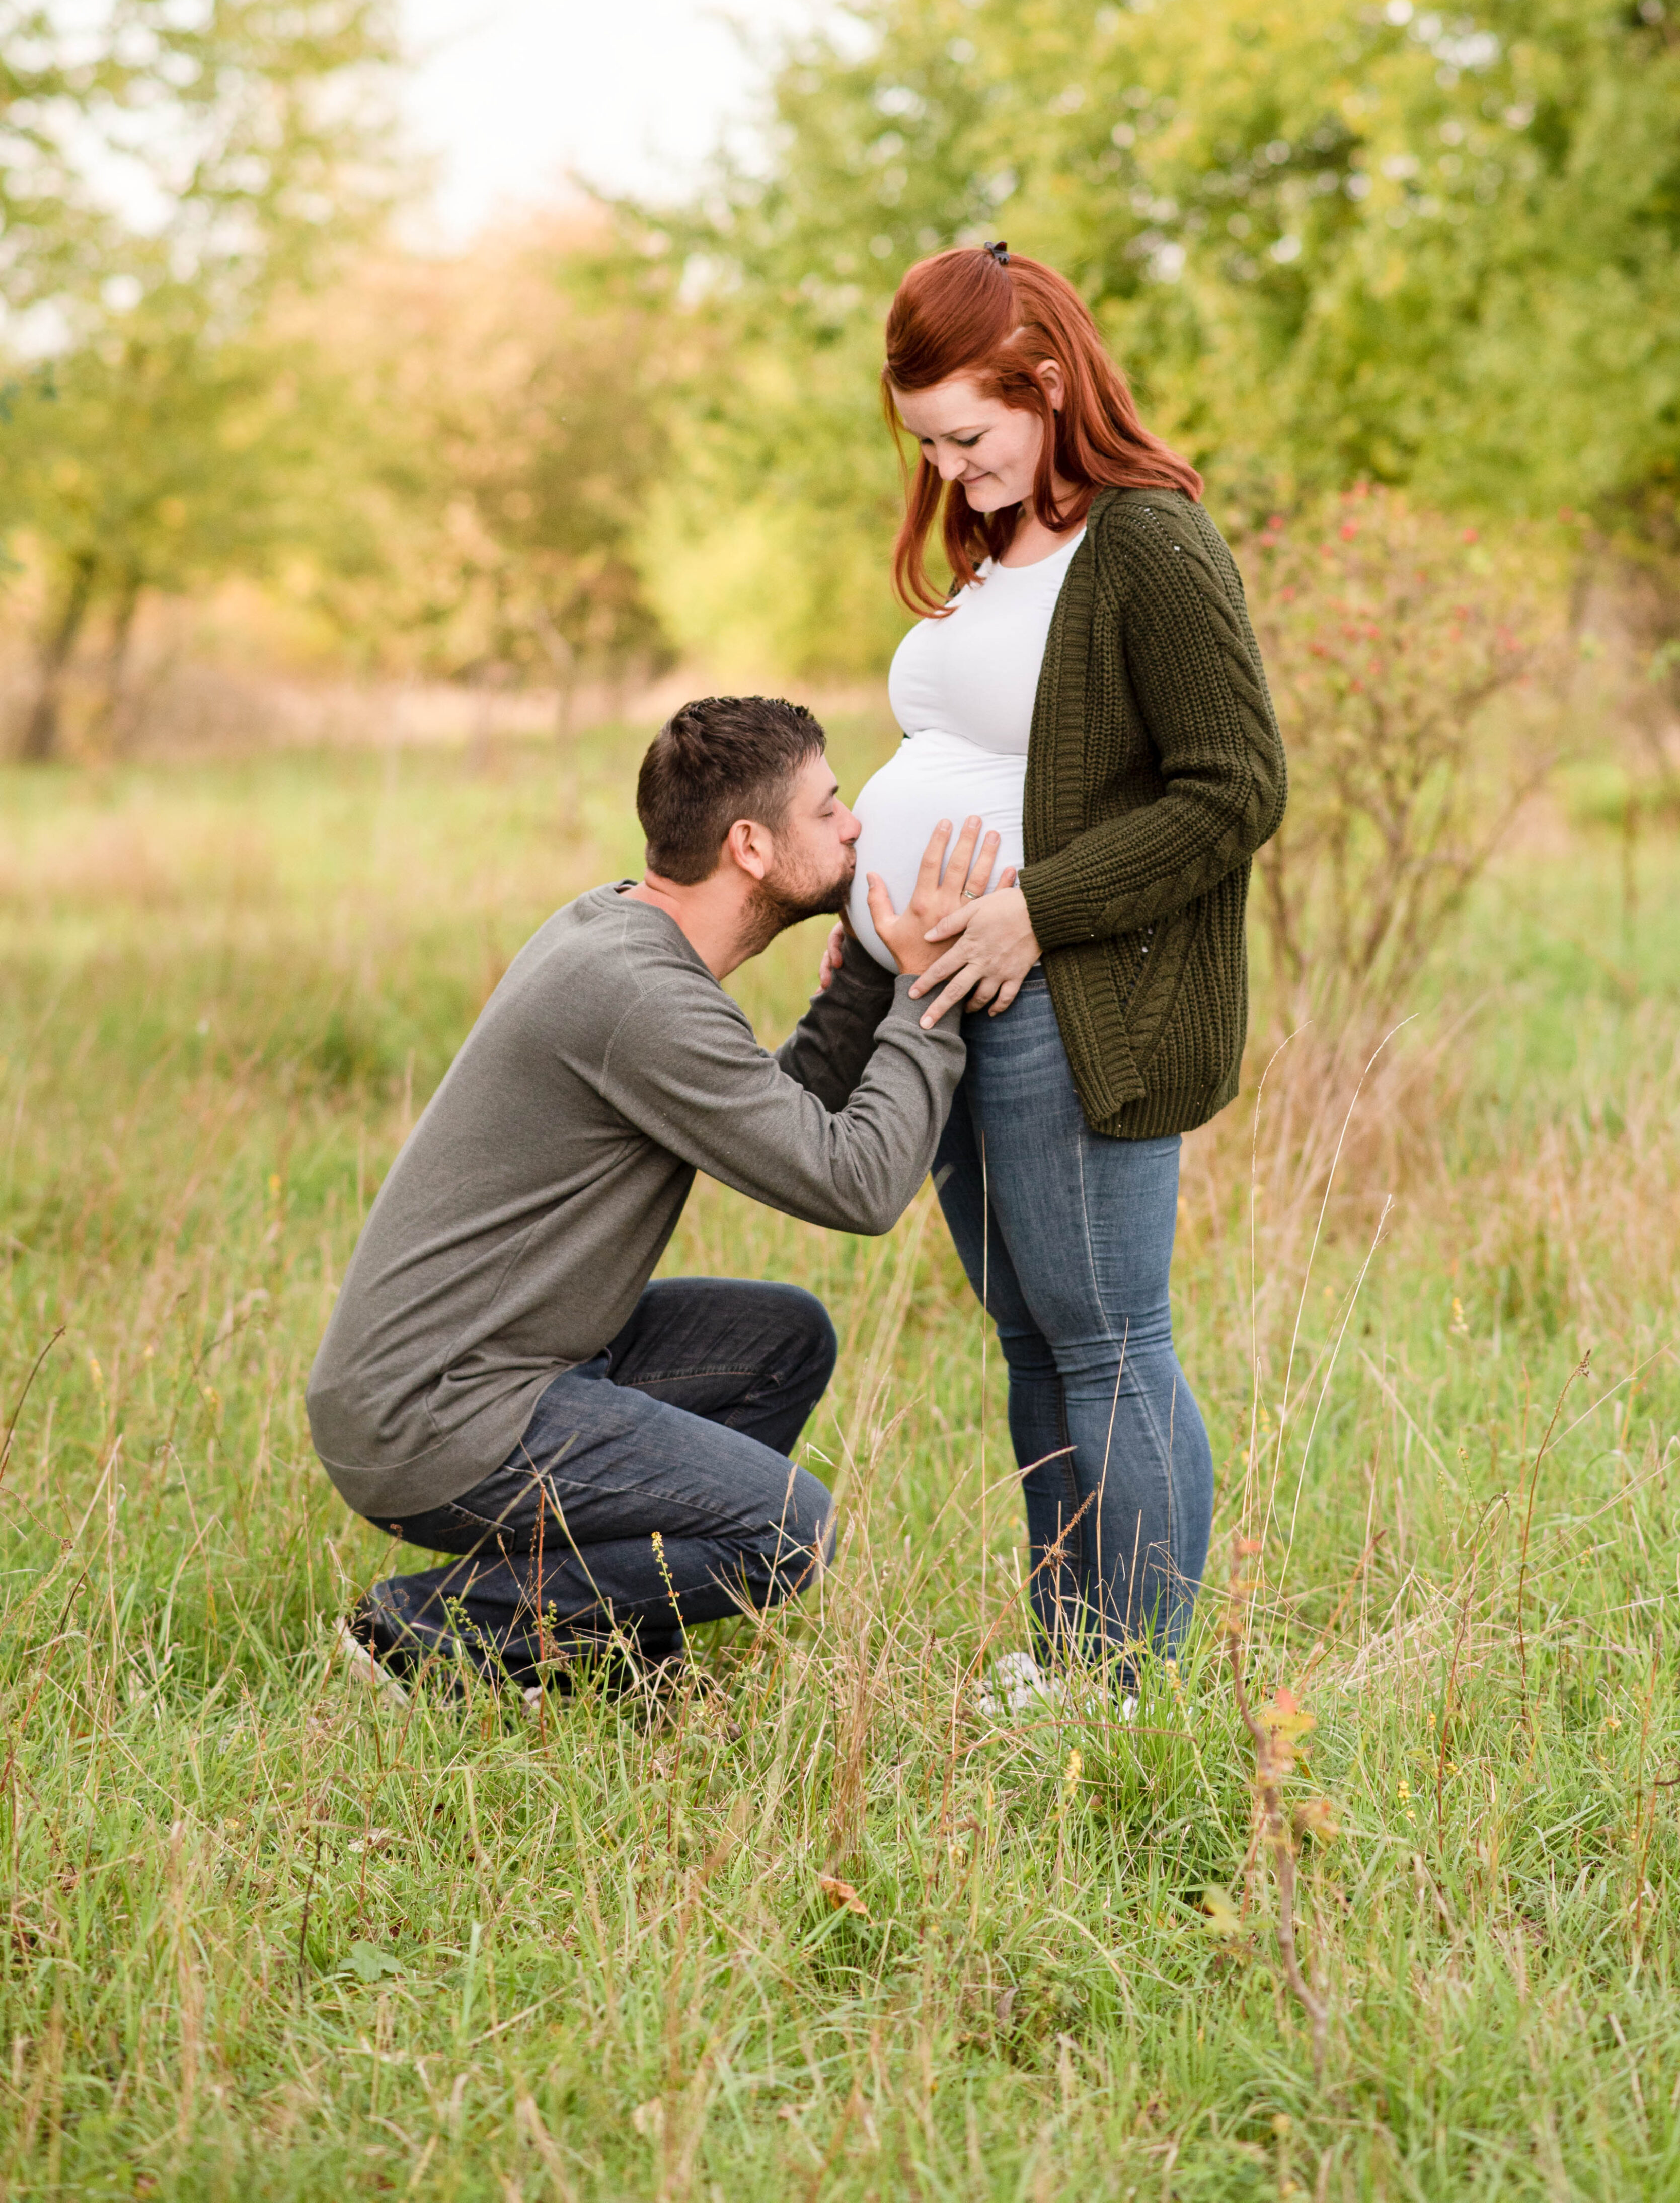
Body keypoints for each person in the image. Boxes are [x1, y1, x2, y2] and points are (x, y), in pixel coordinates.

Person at [313, 696, 999, 1703]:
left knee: (781, 1340)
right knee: (785, 1531)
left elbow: (779, 1114)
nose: (854, 825)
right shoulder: (639, 997)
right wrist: (924, 996)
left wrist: (860, 979)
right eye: (830, 807)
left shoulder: (620, 936)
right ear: (750, 846)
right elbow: (858, 1183)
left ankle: (607, 1640)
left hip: (494, 1371)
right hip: (434, 1419)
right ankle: (429, 1626)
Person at [833, 242, 1286, 1707]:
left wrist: (1031, 911)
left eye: (969, 436)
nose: (952, 471)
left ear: (1046, 382)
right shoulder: (1001, 546)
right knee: (1031, 1335)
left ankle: (1135, 1691)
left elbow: (1234, 788)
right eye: (928, 447)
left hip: (1066, 999)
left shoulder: (1148, 543)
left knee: (1108, 1339)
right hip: (951, 997)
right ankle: (1071, 1654)